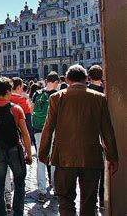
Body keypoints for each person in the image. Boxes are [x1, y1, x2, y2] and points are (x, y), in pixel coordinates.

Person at [39, 64, 118, 216]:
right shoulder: (99, 98)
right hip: (91, 156)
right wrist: (112, 156)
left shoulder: (57, 97)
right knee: (89, 201)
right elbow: (107, 131)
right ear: (86, 79)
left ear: (67, 79)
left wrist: (43, 154)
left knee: (66, 199)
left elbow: (48, 128)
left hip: (64, 157)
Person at [0, 77, 33, 216]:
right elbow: (25, 134)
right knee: (19, 183)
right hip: (15, 149)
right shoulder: (16, 109)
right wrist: (29, 153)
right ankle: (18, 213)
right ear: (8, 91)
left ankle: (1, 214)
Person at [31, 71, 59, 203]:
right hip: (53, 129)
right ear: (56, 82)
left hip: (38, 129)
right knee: (54, 158)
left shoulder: (37, 93)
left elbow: (32, 109)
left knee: (41, 160)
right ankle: (56, 188)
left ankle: (42, 191)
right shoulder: (58, 95)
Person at [87, 64, 105, 208]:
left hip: (88, 135)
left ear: (89, 77)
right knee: (103, 169)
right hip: (102, 134)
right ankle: (102, 198)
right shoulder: (105, 92)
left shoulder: (85, 92)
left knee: (89, 172)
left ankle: (91, 200)